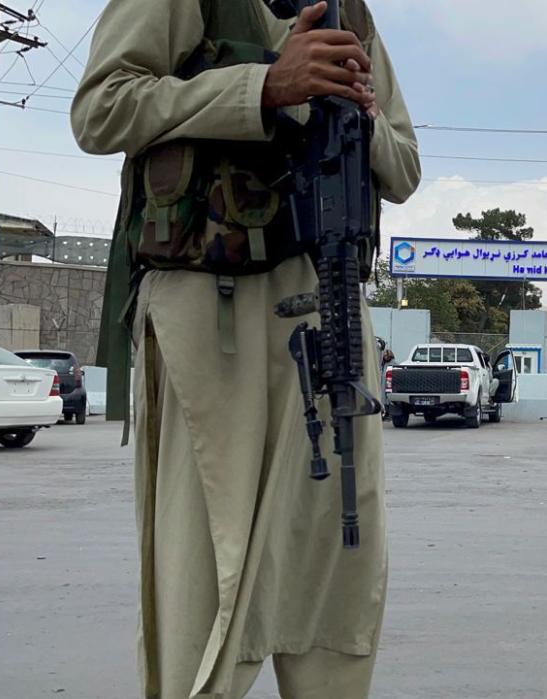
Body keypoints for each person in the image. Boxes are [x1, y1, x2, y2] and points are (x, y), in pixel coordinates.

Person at [72, 0, 420, 696]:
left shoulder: (350, 12)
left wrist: (361, 110)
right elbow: (100, 109)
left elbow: (405, 168)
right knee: (204, 587)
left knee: (338, 585)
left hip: (331, 308)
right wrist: (263, 85)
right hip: (211, 315)